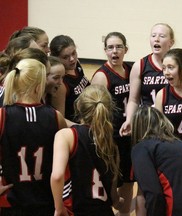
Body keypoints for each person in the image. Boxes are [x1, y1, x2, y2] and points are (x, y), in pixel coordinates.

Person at [0, 58, 67, 215]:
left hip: (11, 202)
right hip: (45, 200)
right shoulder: (55, 117)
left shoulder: (3, 115)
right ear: (39, 87)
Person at [50, 84, 123, 216]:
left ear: (78, 106)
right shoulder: (111, 144)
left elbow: (57, 176)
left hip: (76, 211)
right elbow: (113, 195)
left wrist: (58, 207)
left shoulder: (67, 136)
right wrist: (119, 202)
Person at [90, 32, 133, 216]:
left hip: (129, 133)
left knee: (130, 179)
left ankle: (123, 213)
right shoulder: (102, 76)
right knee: (112, 179)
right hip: (111, 135)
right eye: (110, 47)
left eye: (119, 47)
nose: (114, 51)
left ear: (126, 49)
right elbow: (95, 111)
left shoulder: (131, 70)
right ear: (105, 50)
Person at [119, 23, 175, 137]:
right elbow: (133, 100)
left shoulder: (177, 66)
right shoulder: (140, 65)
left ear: (171, 42)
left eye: (162, 36)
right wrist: (129, 119)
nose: (157, 39)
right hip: (147, 121)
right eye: (153, 35)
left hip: (170, 121)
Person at [50, 35, 90, 125]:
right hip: (77, 128)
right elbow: (60, 120)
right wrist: (81, 128)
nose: (72, 59)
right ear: (56, 58)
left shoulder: (77, 64)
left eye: (74, 53)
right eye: (65, 57)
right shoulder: (61, 84)